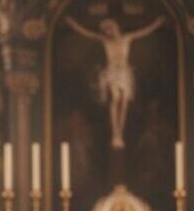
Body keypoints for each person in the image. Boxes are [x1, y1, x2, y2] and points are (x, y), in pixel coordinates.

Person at [65, 15, 164, 149]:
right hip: (112, 72)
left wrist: (157, 23)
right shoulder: (105, 41)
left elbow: (144, 31)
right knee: (116, 98)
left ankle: (119, 133)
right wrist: (74, 24)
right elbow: (87, 33)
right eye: (106, 30)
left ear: (115, 27)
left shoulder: (127, 38)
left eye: (109, 29)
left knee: (124, 101)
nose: (108, 32)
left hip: (123, 72)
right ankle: (115, 133)